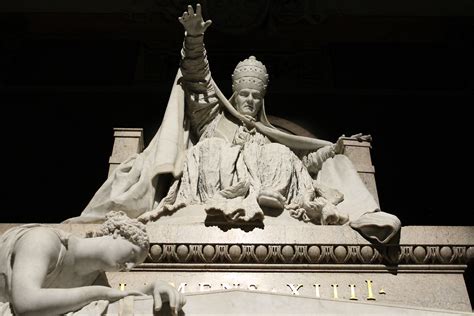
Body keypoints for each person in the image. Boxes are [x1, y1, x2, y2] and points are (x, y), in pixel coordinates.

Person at [68, 4, 400, 244]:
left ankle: (267, 197)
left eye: (256, 97)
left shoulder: (275, 136)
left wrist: (333, 150)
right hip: (216, 181)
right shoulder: (212, 119)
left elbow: (304, 167)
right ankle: (228, 200)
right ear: (234, 94)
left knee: (282, 156)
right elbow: (197, 79)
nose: (250, 102)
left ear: (263, 98)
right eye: (244, 95)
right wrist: (194, 40)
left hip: (270, 188)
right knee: (212, 147)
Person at [0, 211, 186, 315]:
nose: (128, 267)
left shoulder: (93, 276)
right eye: (131, 254)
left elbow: (119, 299)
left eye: (133, 266)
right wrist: (99, 293)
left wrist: (152, 288)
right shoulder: (43, 241)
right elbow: (26, 303)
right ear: (117, 234)